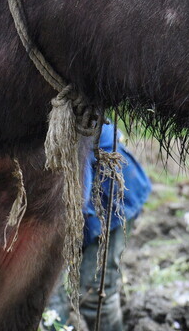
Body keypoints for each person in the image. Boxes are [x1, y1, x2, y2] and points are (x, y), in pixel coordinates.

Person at [45, 123, 151, 331]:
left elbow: (78, 196)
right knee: (47, 296)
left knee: (95, 295)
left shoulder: (70, 122)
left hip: (110, 203)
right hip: (69, 208)